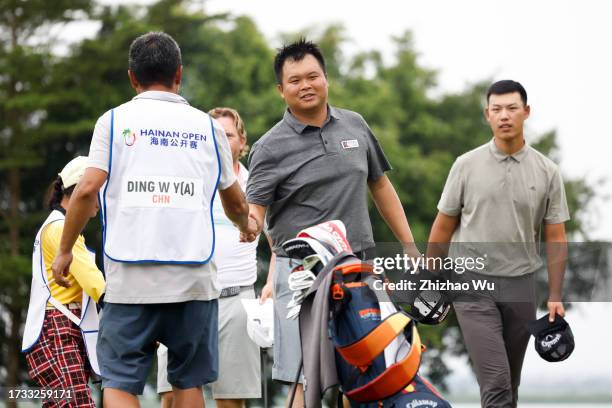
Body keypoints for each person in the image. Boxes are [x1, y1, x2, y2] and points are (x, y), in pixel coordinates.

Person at [51, 32, 255, 408]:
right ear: (179, 74)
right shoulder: (208, 127)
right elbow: (234, 200)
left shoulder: (112, 122)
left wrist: (65, 251)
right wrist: (246, 226)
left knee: (119, 381)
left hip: (131, 278)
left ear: (132, 77)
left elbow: (84, 190)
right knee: (188, 381)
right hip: (193, 279)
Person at [243, 38, 420, 407]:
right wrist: (247, 225)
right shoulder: (269, 148)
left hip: (359, 271)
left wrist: (408, 245)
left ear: (326, 79)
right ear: (281, 90)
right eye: (294, 80)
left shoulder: (355, 125)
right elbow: (255, 214)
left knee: (364, 372)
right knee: (305, 380)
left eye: (312, 76)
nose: (305, 85)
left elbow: (381, 186)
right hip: (301, 276)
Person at [427, 80, 569, 408]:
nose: (504, 115)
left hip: (521, 286)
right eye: (496, 109)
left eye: (511, 108)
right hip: (471, 284)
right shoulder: (465, 165)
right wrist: (429, 278)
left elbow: (556, 237)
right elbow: (442, 228)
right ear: (487, 115)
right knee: (496, 381)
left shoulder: (547, 171)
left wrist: (556, 296)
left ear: (526, 112)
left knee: (509, 386)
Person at [157, 107, 271, 408]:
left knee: (230, 401)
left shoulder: (257, 186)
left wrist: (271, 284)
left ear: (242, 142)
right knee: (171, 397)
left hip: (237, 300)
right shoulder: (186, 182)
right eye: (214, 133)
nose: (221, 139)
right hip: (184, 298)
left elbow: (279, 244)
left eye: (228, 134)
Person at [22, 156, 106, 408]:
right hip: (57, 330)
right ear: (81, 192)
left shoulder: (58, 226)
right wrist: (135, 317)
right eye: (97, 192)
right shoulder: (60, 229)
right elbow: (96, 284)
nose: (101, 202)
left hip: (60, 330)